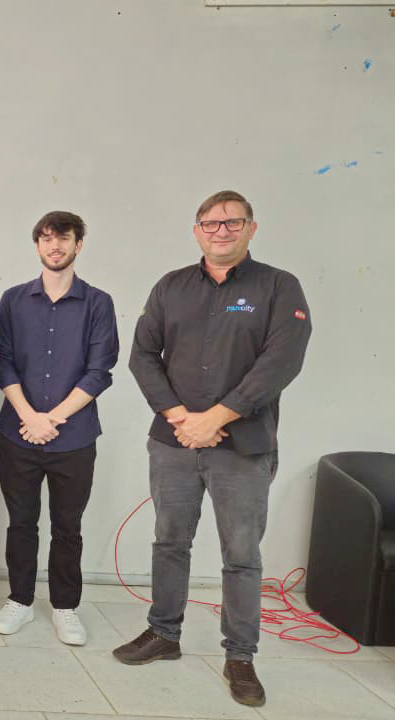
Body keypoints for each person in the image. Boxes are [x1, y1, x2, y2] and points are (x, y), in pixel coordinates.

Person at [115, 190, 311, 708]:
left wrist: (217, 417)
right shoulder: (170, 286)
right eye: (210, 223)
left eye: (232, 222)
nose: (220, 231)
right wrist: (181, 418)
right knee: (169, 541)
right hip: (174, 442)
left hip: (243, 447)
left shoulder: (278, 286)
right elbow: (142, 355)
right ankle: (164, 633)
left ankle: (240, 656)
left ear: (251, 228)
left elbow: (281, 361)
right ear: (196, 230)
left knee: (241, 555)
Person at [0, 211, 118, 646]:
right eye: (46, 238)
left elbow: (99, 371)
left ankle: (65, 607)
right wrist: (29, 416)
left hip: (74, 439)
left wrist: (51, 418)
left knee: (68, 526)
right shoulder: (13, 300)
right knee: (21, 523)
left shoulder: (98, 303)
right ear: (37, 246)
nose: (54, 246)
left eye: (63, 238)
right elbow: (2, 361)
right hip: (17, 434)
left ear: (78, 245)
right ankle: (20, 601)